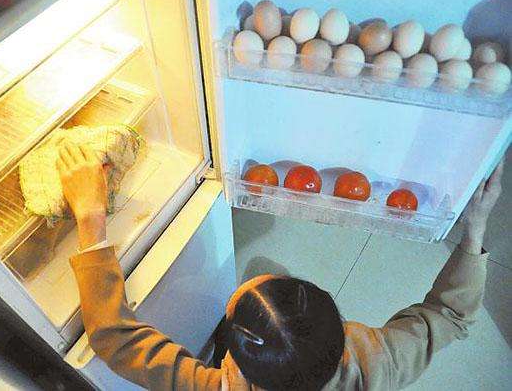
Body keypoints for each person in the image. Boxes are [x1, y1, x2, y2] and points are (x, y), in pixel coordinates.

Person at [58, 142, 504, 391]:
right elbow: (451, 314)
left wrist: (91, 219)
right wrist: (477, 226)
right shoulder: (379, 363)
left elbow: (114, 338)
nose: (256, 278)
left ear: (242, 370)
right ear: (339, 331)